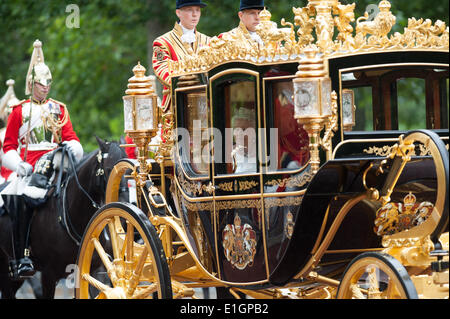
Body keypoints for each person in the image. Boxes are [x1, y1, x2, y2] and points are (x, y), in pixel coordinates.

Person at [0, 39, 83, 278]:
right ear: (31, 83)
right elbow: (9, 147)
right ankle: (22, 256)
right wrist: (19, 164)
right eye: (41, 83)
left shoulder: (60, 108)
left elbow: (71, 137)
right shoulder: (19, 111)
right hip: (29, 168)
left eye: (48, 82)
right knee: (20, 197)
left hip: (57, 163)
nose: (45, 87)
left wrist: (72, 147)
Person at [152, 0, 210, 113]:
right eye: (190, 10)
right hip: (176, 107)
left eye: (197, 10)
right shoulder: (163, 42)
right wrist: (189, 83)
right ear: (178, 13)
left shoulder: (209, 41)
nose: (195, 14)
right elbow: (162, 70)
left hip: (205, 106)